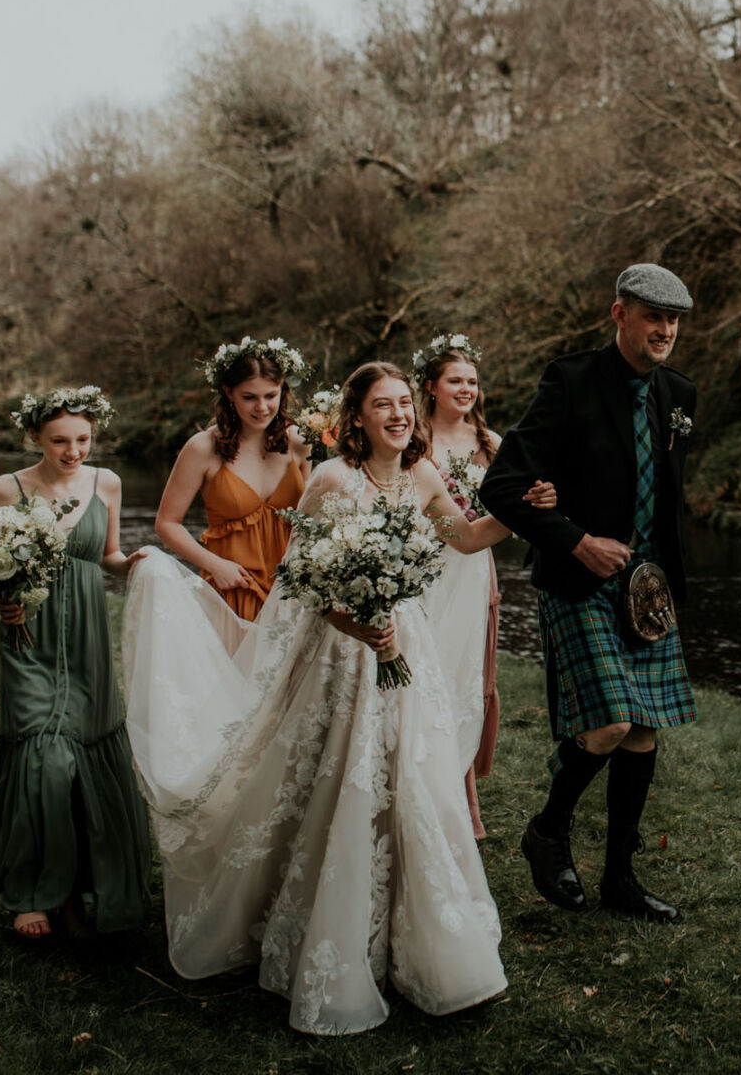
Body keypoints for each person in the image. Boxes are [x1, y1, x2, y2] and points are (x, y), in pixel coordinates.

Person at [121, 361, 551, 1035]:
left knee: (418, 786)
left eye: (406, 403)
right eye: (384, 405)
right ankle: (330, 941)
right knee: (340, 790)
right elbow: (304, 584)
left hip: (406, 649)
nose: (400, 414)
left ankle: (431, 953)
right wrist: (357, 624)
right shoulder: (330, 481)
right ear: (357, 418)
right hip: (344, 658)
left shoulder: (424, 475)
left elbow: (463, 538)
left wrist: (519, 511)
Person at [480, 262, 698, 924]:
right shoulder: (570, 381)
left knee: (642, 732)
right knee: (607, 724)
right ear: (619, 314)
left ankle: (620, 882)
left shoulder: (679, 395)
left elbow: (664, 493)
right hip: (579, 578)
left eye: (673, 320)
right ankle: (547, 830)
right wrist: (574, 537)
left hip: (649, 586)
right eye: (651, 315)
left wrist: (669, 583)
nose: (664, 329)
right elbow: (502, 485)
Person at [0, 386, 151, 940]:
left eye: (83, 439)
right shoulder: (9, 488)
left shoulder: (108, 484)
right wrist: (2, 599)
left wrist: (137, 565)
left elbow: (107, 557)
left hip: (88, 642)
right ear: (34, 437)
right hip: (29, 633)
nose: (73, 450)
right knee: (43, 755)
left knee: (83, 753)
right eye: (60, 441)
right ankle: (31, 892)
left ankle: (77, 887)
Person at [413, 333, 504, 841]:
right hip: (424, 566)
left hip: (471, 570)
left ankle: (463, 799)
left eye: (472, 381)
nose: (466, 389)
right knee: (427, 669)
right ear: (431, 386)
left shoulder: (491, 444)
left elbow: (506, 506)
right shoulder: (413, 439)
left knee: (465, 676)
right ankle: (419, 785)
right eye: (456, 380)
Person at [154, 337, 312, 621]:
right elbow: (166, 523)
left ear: (283, 391)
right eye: (249, 397)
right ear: (229, 393)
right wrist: (215, 565)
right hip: (233, 590)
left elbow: (311, 518)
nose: (262, 407)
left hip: (291, 592)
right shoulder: (202, 448)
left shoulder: (299, 442)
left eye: (270, 395)